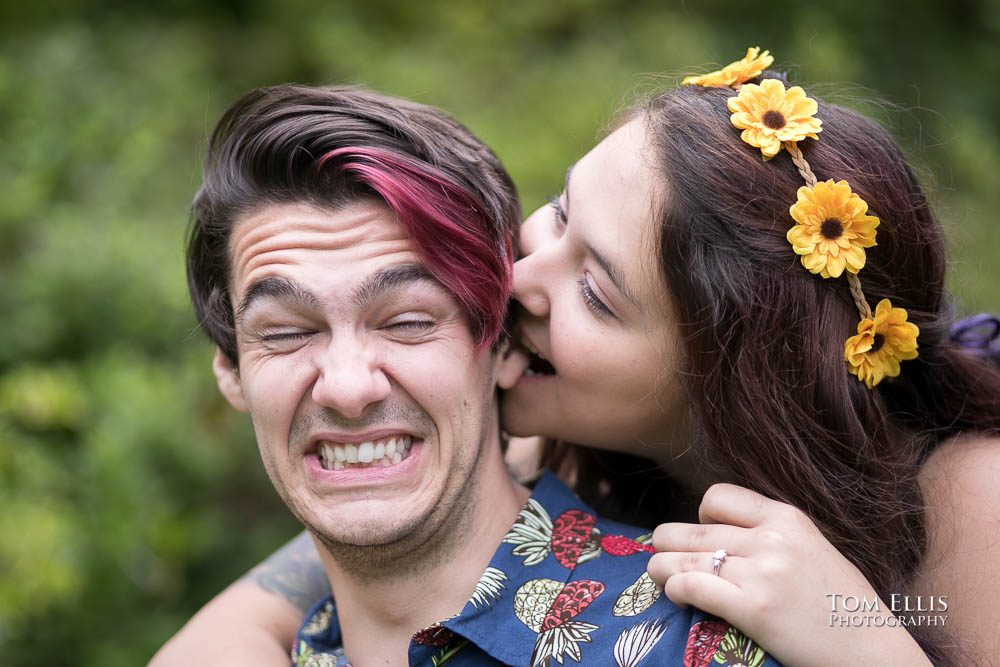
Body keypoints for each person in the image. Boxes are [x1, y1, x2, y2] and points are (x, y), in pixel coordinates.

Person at [152, 51, 1000, 666]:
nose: (511, 279)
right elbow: (351, 540)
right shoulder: (505, 441)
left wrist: (862, 638)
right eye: (559, 213)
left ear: (721, 382)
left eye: (596, 292)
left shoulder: (967, 499)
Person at [166, 82, 783, 667]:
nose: (349, 389)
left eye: (407, 322)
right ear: (232, 370)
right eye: (287, 333)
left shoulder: (700, 638)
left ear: (506, 345)